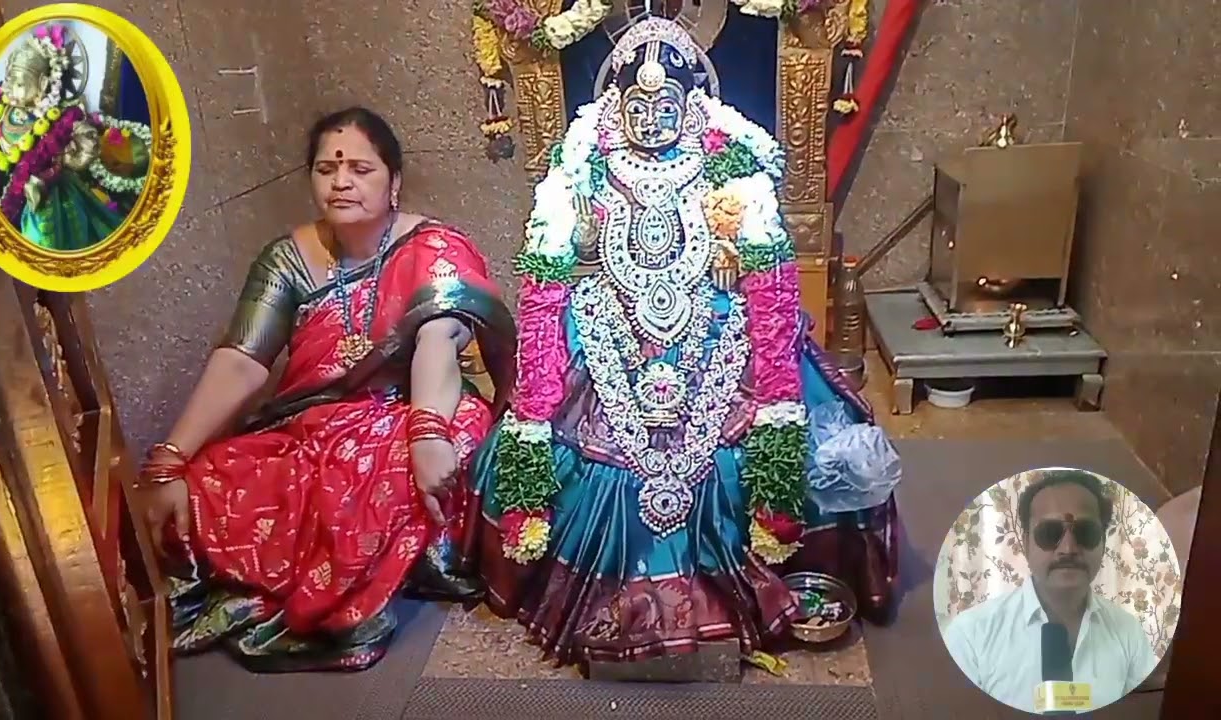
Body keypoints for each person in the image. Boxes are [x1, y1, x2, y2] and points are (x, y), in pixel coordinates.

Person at [465, 17, 901, 668]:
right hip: (609, 319)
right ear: (616, 106)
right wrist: (583, 233)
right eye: (637, 105)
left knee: (769, 417)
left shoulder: (725, 160)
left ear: (691, 106)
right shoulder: (589, 162)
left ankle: (766, 542)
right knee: (558, 424)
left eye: (666, 103)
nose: (652, 118)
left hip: (711, 320)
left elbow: (762, 254)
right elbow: (558, 258)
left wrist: (732, 250)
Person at [136, 107, 515, 672]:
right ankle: (340, 569)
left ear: (395, 182)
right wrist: (171, 458)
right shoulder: (286, 258)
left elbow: (440, 335)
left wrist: (427, 432)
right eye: (325, 169)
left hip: (413, 413)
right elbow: (242, 361)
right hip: (311, 424)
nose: (341, 182)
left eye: (361, 168)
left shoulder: (434, 246)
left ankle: (360, 589)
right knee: (211, 480)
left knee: (428, 452)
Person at [942, 469, 1161, 713]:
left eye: (1085, 532)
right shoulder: (971, 635)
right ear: (1025, 544)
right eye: (1049, 533)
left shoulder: (1128, 632)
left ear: (1103, 543)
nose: (1068, 548)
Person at [0, 23, 150, 251]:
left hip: (52, 201)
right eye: (10, 81)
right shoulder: (4, 111)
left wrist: (63, 164)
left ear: (42, 84)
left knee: (50, 240)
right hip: (11, 190)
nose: (11, 89)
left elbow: (86, 142)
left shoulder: (58, 119)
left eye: (20, 83)